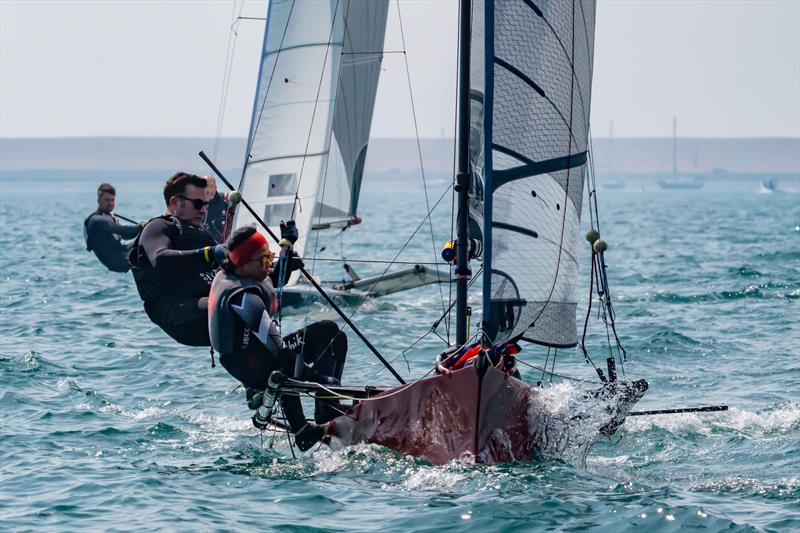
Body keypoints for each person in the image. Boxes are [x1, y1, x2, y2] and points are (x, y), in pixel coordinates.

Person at [208, 226, 347, 451]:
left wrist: (288, 242)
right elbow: (278, 349)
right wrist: (320, 380)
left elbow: (274, 276)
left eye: (269, 256)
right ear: (243, 264)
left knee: (332, 335)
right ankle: (303, 430)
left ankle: (326, 412)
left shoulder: (245, 271)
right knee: (284, 362)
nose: (269, 265)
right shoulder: (245, 301)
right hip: (250, 364)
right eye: (263, 260)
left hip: (261, 353)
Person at [129, 172, 225, 347]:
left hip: (209, 309)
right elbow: (161, 259)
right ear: (174, 203)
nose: (203, 210)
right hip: (180, 314)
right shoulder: (158, 227)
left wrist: (281, 260)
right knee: (237, 302)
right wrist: (210, 253)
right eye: (197, 204)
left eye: (205, 204)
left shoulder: (203, 235)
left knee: (258, 293)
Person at [83, 183, 141, 273]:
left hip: (122, 252)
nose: (110, 203)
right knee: (148, 239)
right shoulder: (97, 221)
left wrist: (145, 229)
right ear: (99, 201)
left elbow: (124, 236)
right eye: (106, 200)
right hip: (118, 262)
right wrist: (141, 227)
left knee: (148, 238)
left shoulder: (109, 216)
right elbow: (124, 232)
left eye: (112, 200)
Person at [202, 175, 229, 243]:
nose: (208, 189)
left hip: (225, 243)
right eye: (205, 186)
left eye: (211, 186)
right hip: (204, 245)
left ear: (215, 187)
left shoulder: (225, 200)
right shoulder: (195, 204)